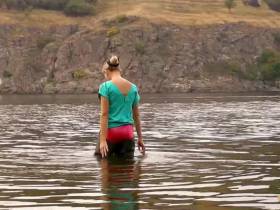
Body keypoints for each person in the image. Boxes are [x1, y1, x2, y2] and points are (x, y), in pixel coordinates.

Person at [95, 55, 145, 158]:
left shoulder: (105, 87)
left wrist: (103, 140)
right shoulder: (133, 88)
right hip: (127, 134)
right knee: (127, 169)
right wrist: (140, 138)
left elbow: (104, 114)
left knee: (102, 163)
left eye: (104, 74)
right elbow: (136, 115)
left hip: (111, 133)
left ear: (107, 71)